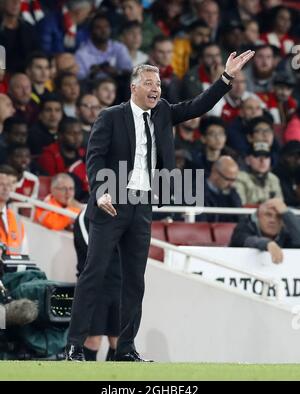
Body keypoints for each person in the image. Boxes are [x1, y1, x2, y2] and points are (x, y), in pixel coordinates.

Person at [66, 50, 255, 362]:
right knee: (94, 274)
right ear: (134, 87)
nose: (156, 89)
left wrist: (226, 78)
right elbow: (95, 158)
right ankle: (74, 346)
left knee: (135, 280)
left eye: (159, 85)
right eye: (150, 83)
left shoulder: (164, 111)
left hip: (142, 205)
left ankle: (125, 349)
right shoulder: (110, 117)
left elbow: (198, 106)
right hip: (111, 201)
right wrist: (100, 191)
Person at [73, 207, 121, 361]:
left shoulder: (125, 212)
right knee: (93, 340)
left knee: (118, 341)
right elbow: (94, 249)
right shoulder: (85, 215)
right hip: (94, 286)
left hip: (120, 284)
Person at [230, 198, 300, 264]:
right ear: (257, 217)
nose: (273, 220)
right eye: (268, 215)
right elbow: (247, 240)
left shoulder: (286, 233)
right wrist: (267, 243)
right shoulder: (244, 227)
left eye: (279, 216)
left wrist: (286, 213)